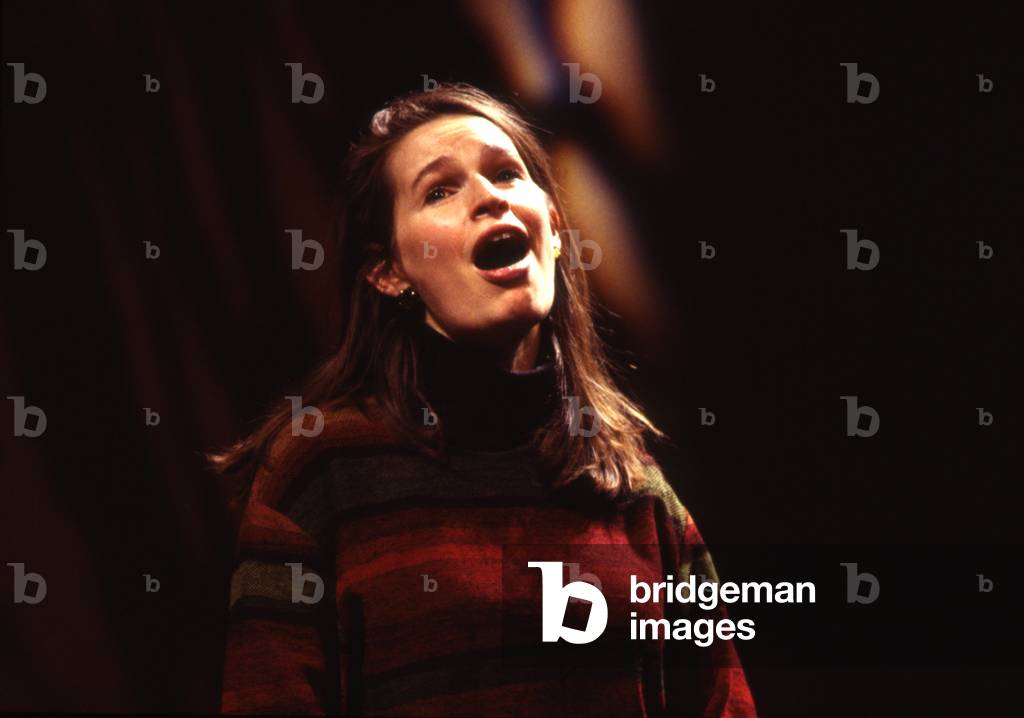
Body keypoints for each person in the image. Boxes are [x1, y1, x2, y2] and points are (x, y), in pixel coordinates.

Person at [210, 83, 756, 717]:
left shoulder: (630, 482)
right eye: (440, 190)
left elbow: (723, 702)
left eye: (506, 173)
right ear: (388, 271)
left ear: (553, 227)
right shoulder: (319, 469)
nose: (489, 197)